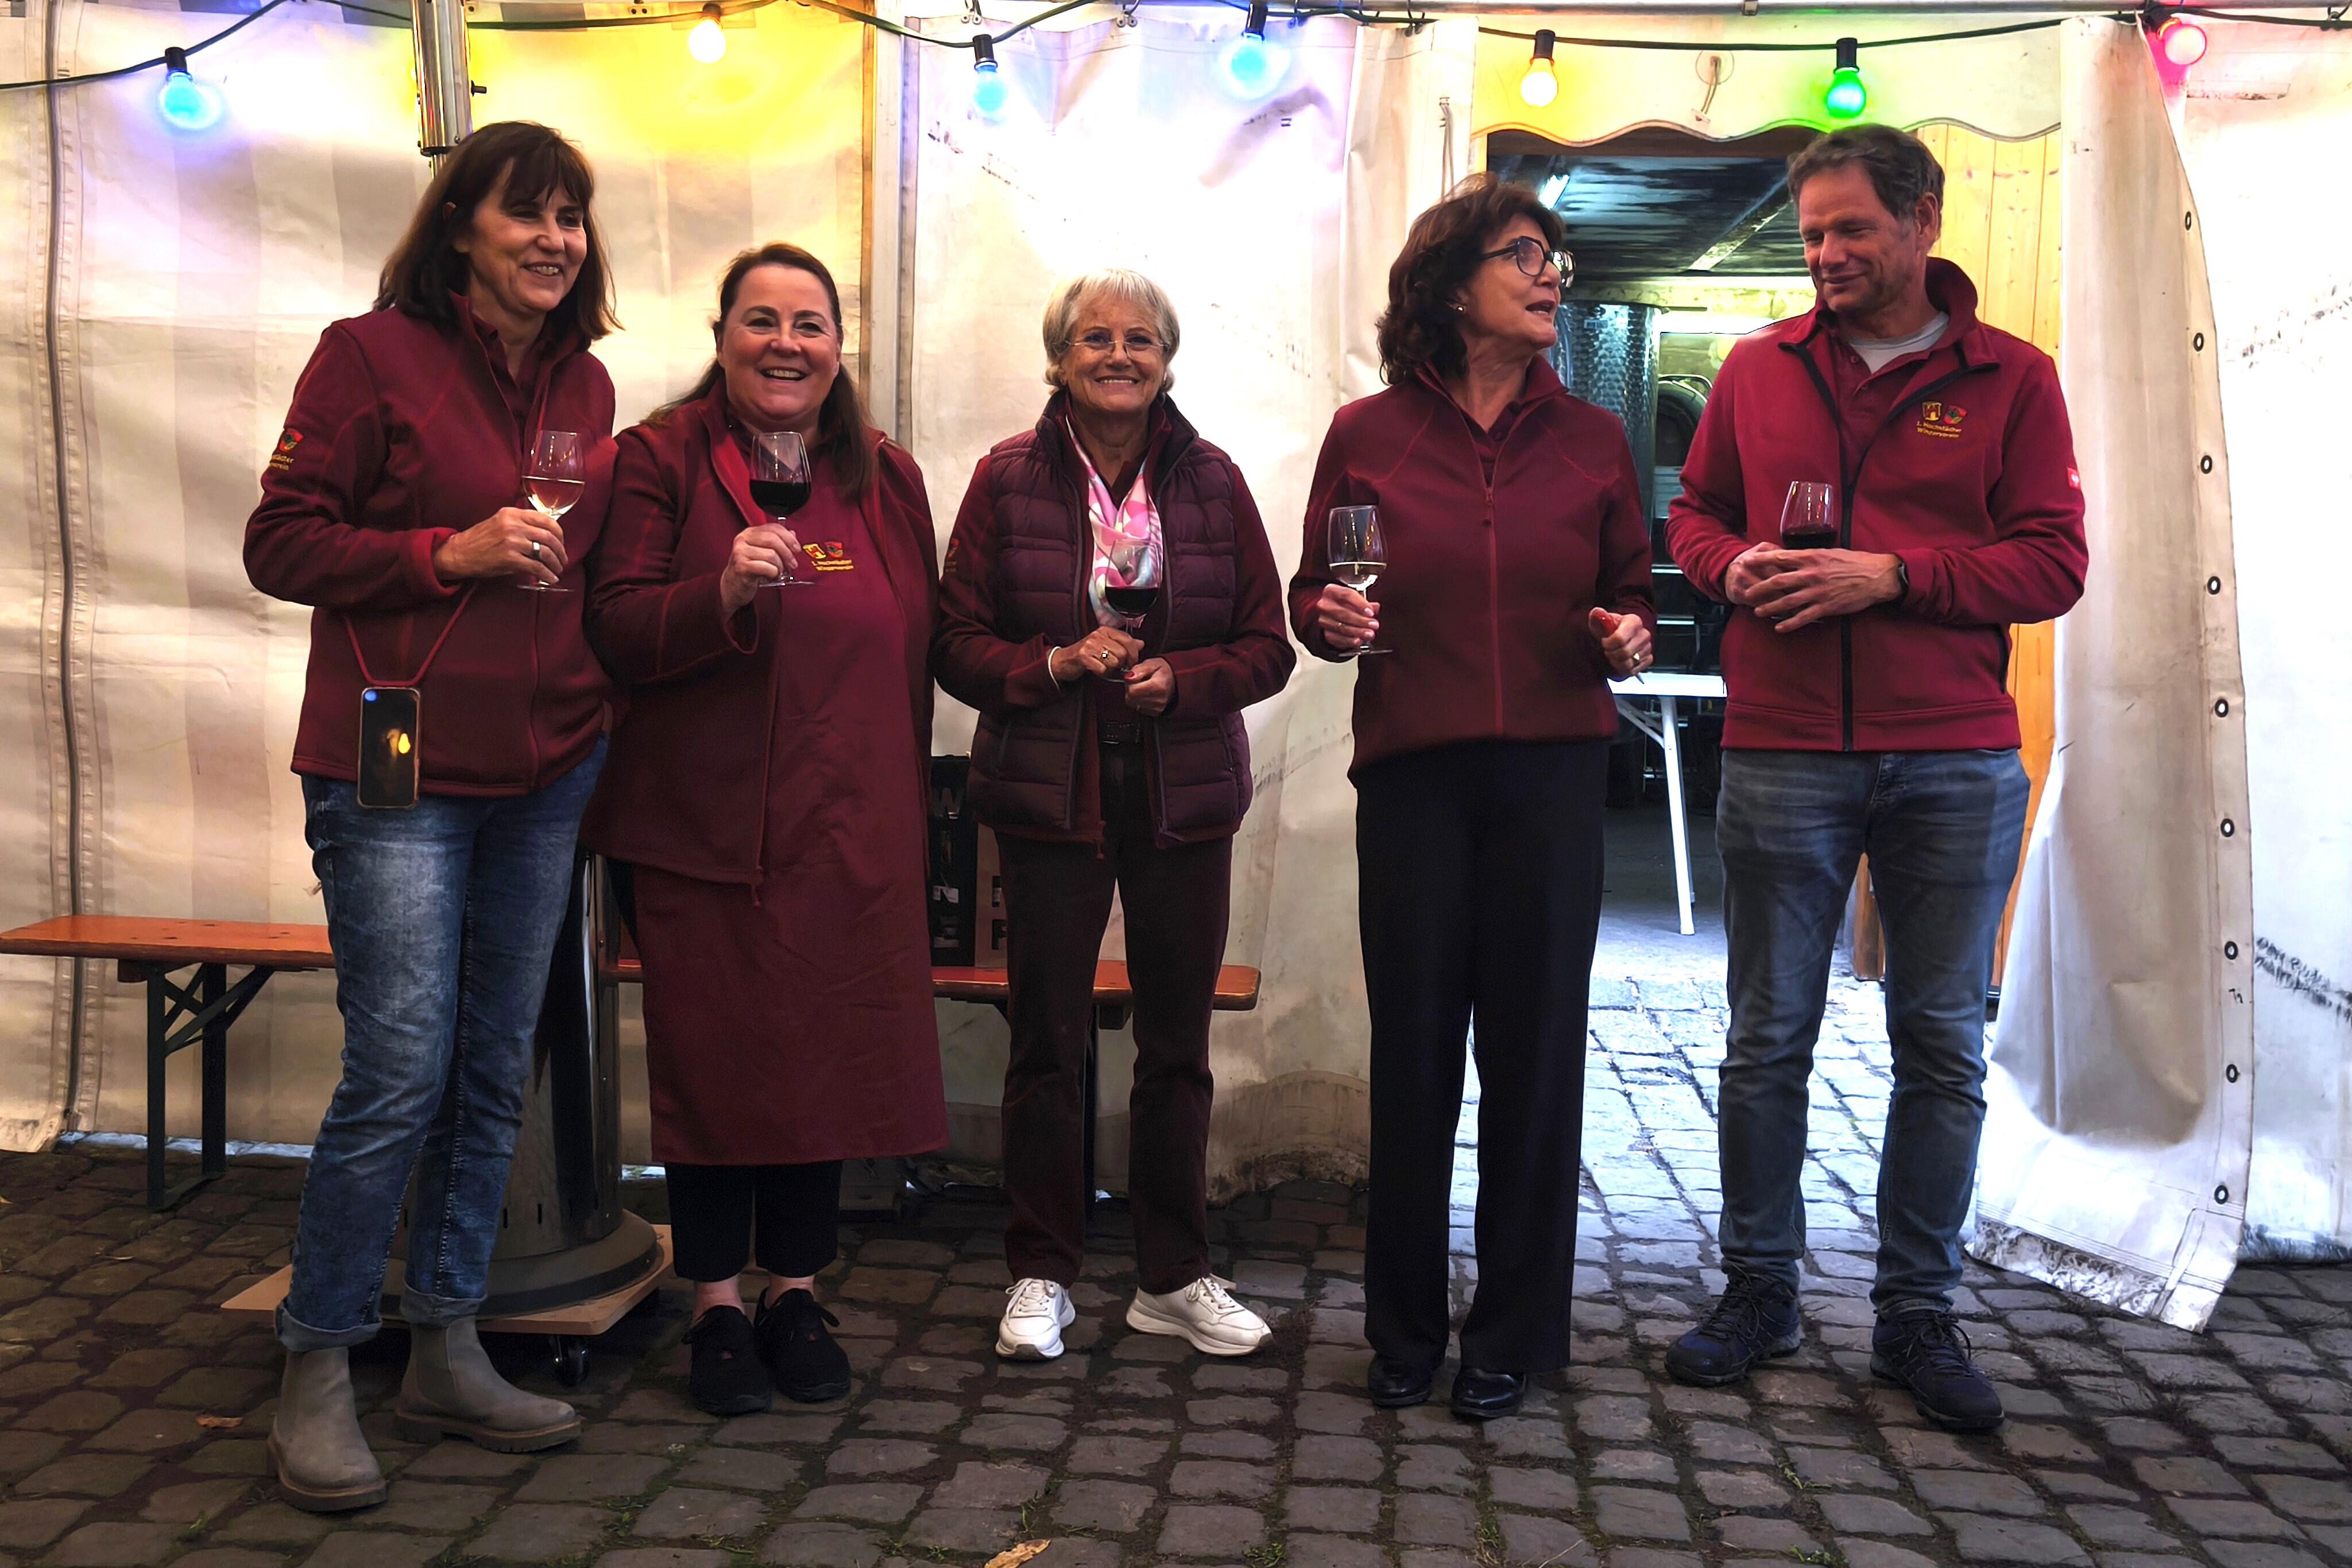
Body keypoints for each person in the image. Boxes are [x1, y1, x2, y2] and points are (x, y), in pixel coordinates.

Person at [1663, 125, 2088, 1433]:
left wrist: (1894, 575)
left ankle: (1916, 1313)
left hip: (1953, 753)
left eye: (1850, 228)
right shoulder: (1757, 368)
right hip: (1783, 745)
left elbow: (2054, 562)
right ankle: (1760, 1289)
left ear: (1923, 220)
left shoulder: (2012, 379)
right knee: (1764, 1040)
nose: (1826, 254)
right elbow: (1692, 513)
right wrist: (1728, 566)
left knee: (1940, 1045)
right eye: (1811, 235)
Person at [242, 121, 618, 1511]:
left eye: (571, 217)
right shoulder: (366, 356)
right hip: (391, 766)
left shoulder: (585, 379)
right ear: (459, 224)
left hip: (544, 769)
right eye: (528, 214)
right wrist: (440, 551)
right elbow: (278, 539)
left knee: (490, 1062)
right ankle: (319, 1357)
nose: (555, 240)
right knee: (399, 1066)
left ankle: (446, 1341)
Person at [1289, 175, 1656, 1419]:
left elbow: (1628, 591)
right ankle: (1402, 1330)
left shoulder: (1592, 439)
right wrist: (1327, 617)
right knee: (1414, 1058)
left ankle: (1513, 1332)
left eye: (1555, 259)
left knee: (1536, 1059)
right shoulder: (1366, 433)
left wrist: (1624, 632)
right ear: (1452, 286)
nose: (1551, 275)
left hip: (1552, 778)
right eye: (1523, 254)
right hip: (1415, 778)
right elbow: (1314, 592)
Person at [582, 243, 947, 1416]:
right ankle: (715, 1302)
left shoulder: (886, 475)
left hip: (850, 829)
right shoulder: (657, 460)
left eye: (809, 324)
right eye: (761, 321)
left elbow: (926, 646)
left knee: (823, 1063)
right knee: (718, 1070)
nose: (786, 344)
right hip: (705, 833)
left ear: (837, 347)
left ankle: (795, 1290)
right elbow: (613, 627)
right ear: (722, 335)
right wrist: (722, 593)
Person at [934, 269, 1295, 1362]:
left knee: (1176, 1047)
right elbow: (952, 643)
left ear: (1167, 361)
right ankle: (1041, 1271)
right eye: (1095, 339)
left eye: (1142, 339)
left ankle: (1172, 1277)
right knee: (1045, 1043)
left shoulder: (1214, 480)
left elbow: (1268, 646)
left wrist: (1184, 681)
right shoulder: (1006, 478)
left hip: (1184, 794)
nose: (1119, 356)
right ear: (1059, 359)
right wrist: (1052, 663)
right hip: (1052, 793)